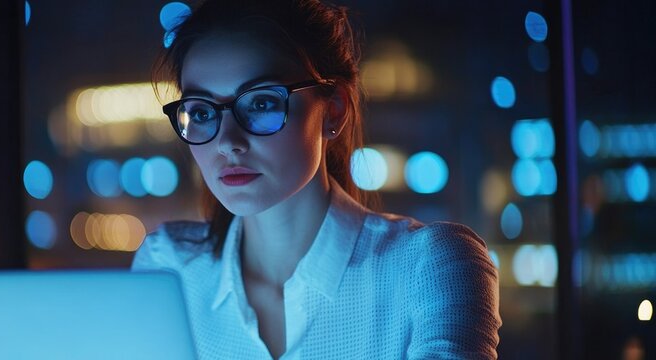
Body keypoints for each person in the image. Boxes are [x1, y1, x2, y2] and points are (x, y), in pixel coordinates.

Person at [132, 0, 501, 358]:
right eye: (200, 112)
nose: (228, 142)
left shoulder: (428, 270)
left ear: (334, 109)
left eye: (261, 103)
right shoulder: (169, 269)